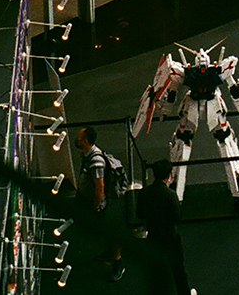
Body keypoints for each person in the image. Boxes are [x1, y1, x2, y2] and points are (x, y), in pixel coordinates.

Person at [137, 158, 192, 295]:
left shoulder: (144, 193)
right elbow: (177, 217)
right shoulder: (171, 195)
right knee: (178, 270)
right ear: (169, 176)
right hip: (170, 238)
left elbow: (140, 213)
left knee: (156, 271)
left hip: (153, 238)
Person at [75, 126, 124, 282]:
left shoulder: (95, 161)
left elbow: (99, 186)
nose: (76, 140)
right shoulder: (88, 155)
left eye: (79, 138)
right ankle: (110, 252)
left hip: (96, 206)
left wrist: (96, 207)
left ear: (85, 141)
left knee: (108, 233)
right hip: (89, 202)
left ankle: (118, 263)